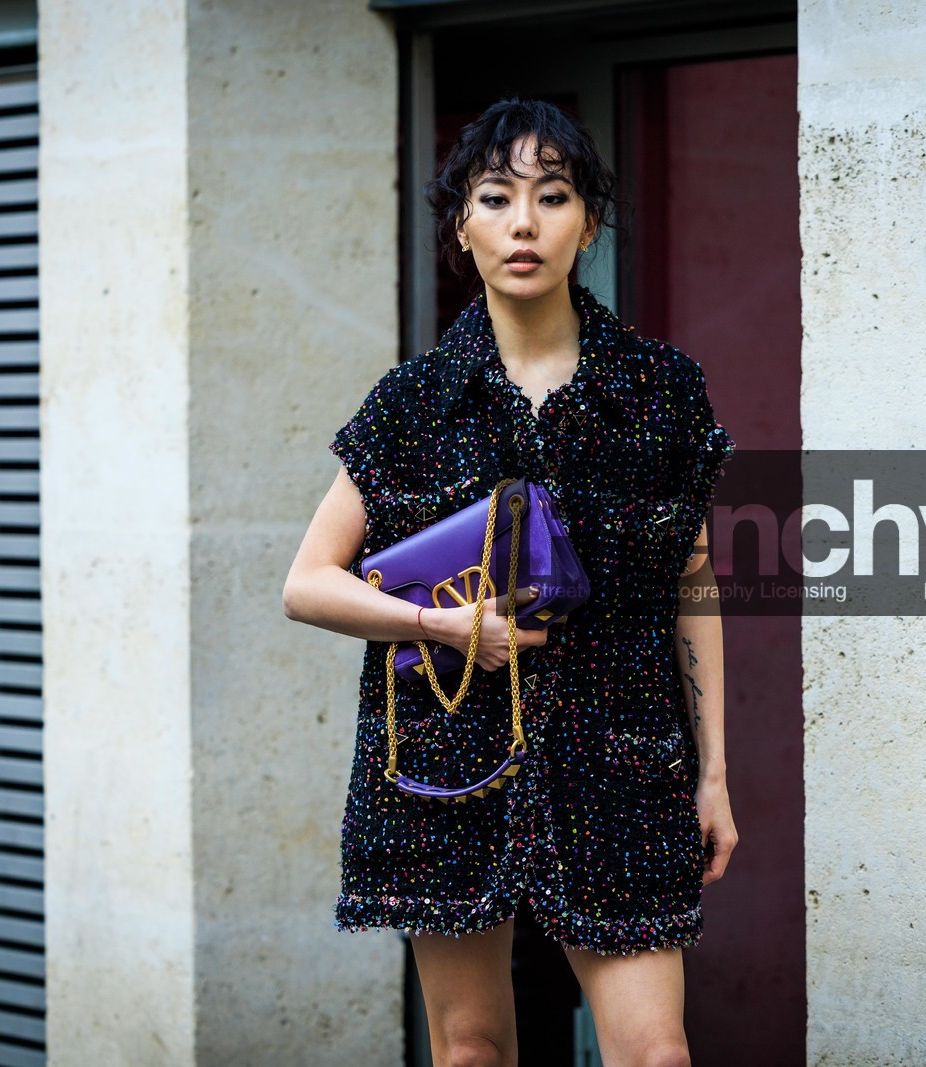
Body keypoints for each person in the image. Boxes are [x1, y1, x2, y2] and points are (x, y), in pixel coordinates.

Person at [283, 97, 736, 1067]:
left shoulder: (659, 391)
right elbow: (308, 584)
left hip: (623, 757)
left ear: (589, 222)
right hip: (442, 761)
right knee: (473, 1046)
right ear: (463, 226)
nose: (524, 222)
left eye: (552, 195)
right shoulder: (412, 403)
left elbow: (691, 585)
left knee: (657, 1047)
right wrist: (446, 628)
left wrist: (714, 772)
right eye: (496, 198)